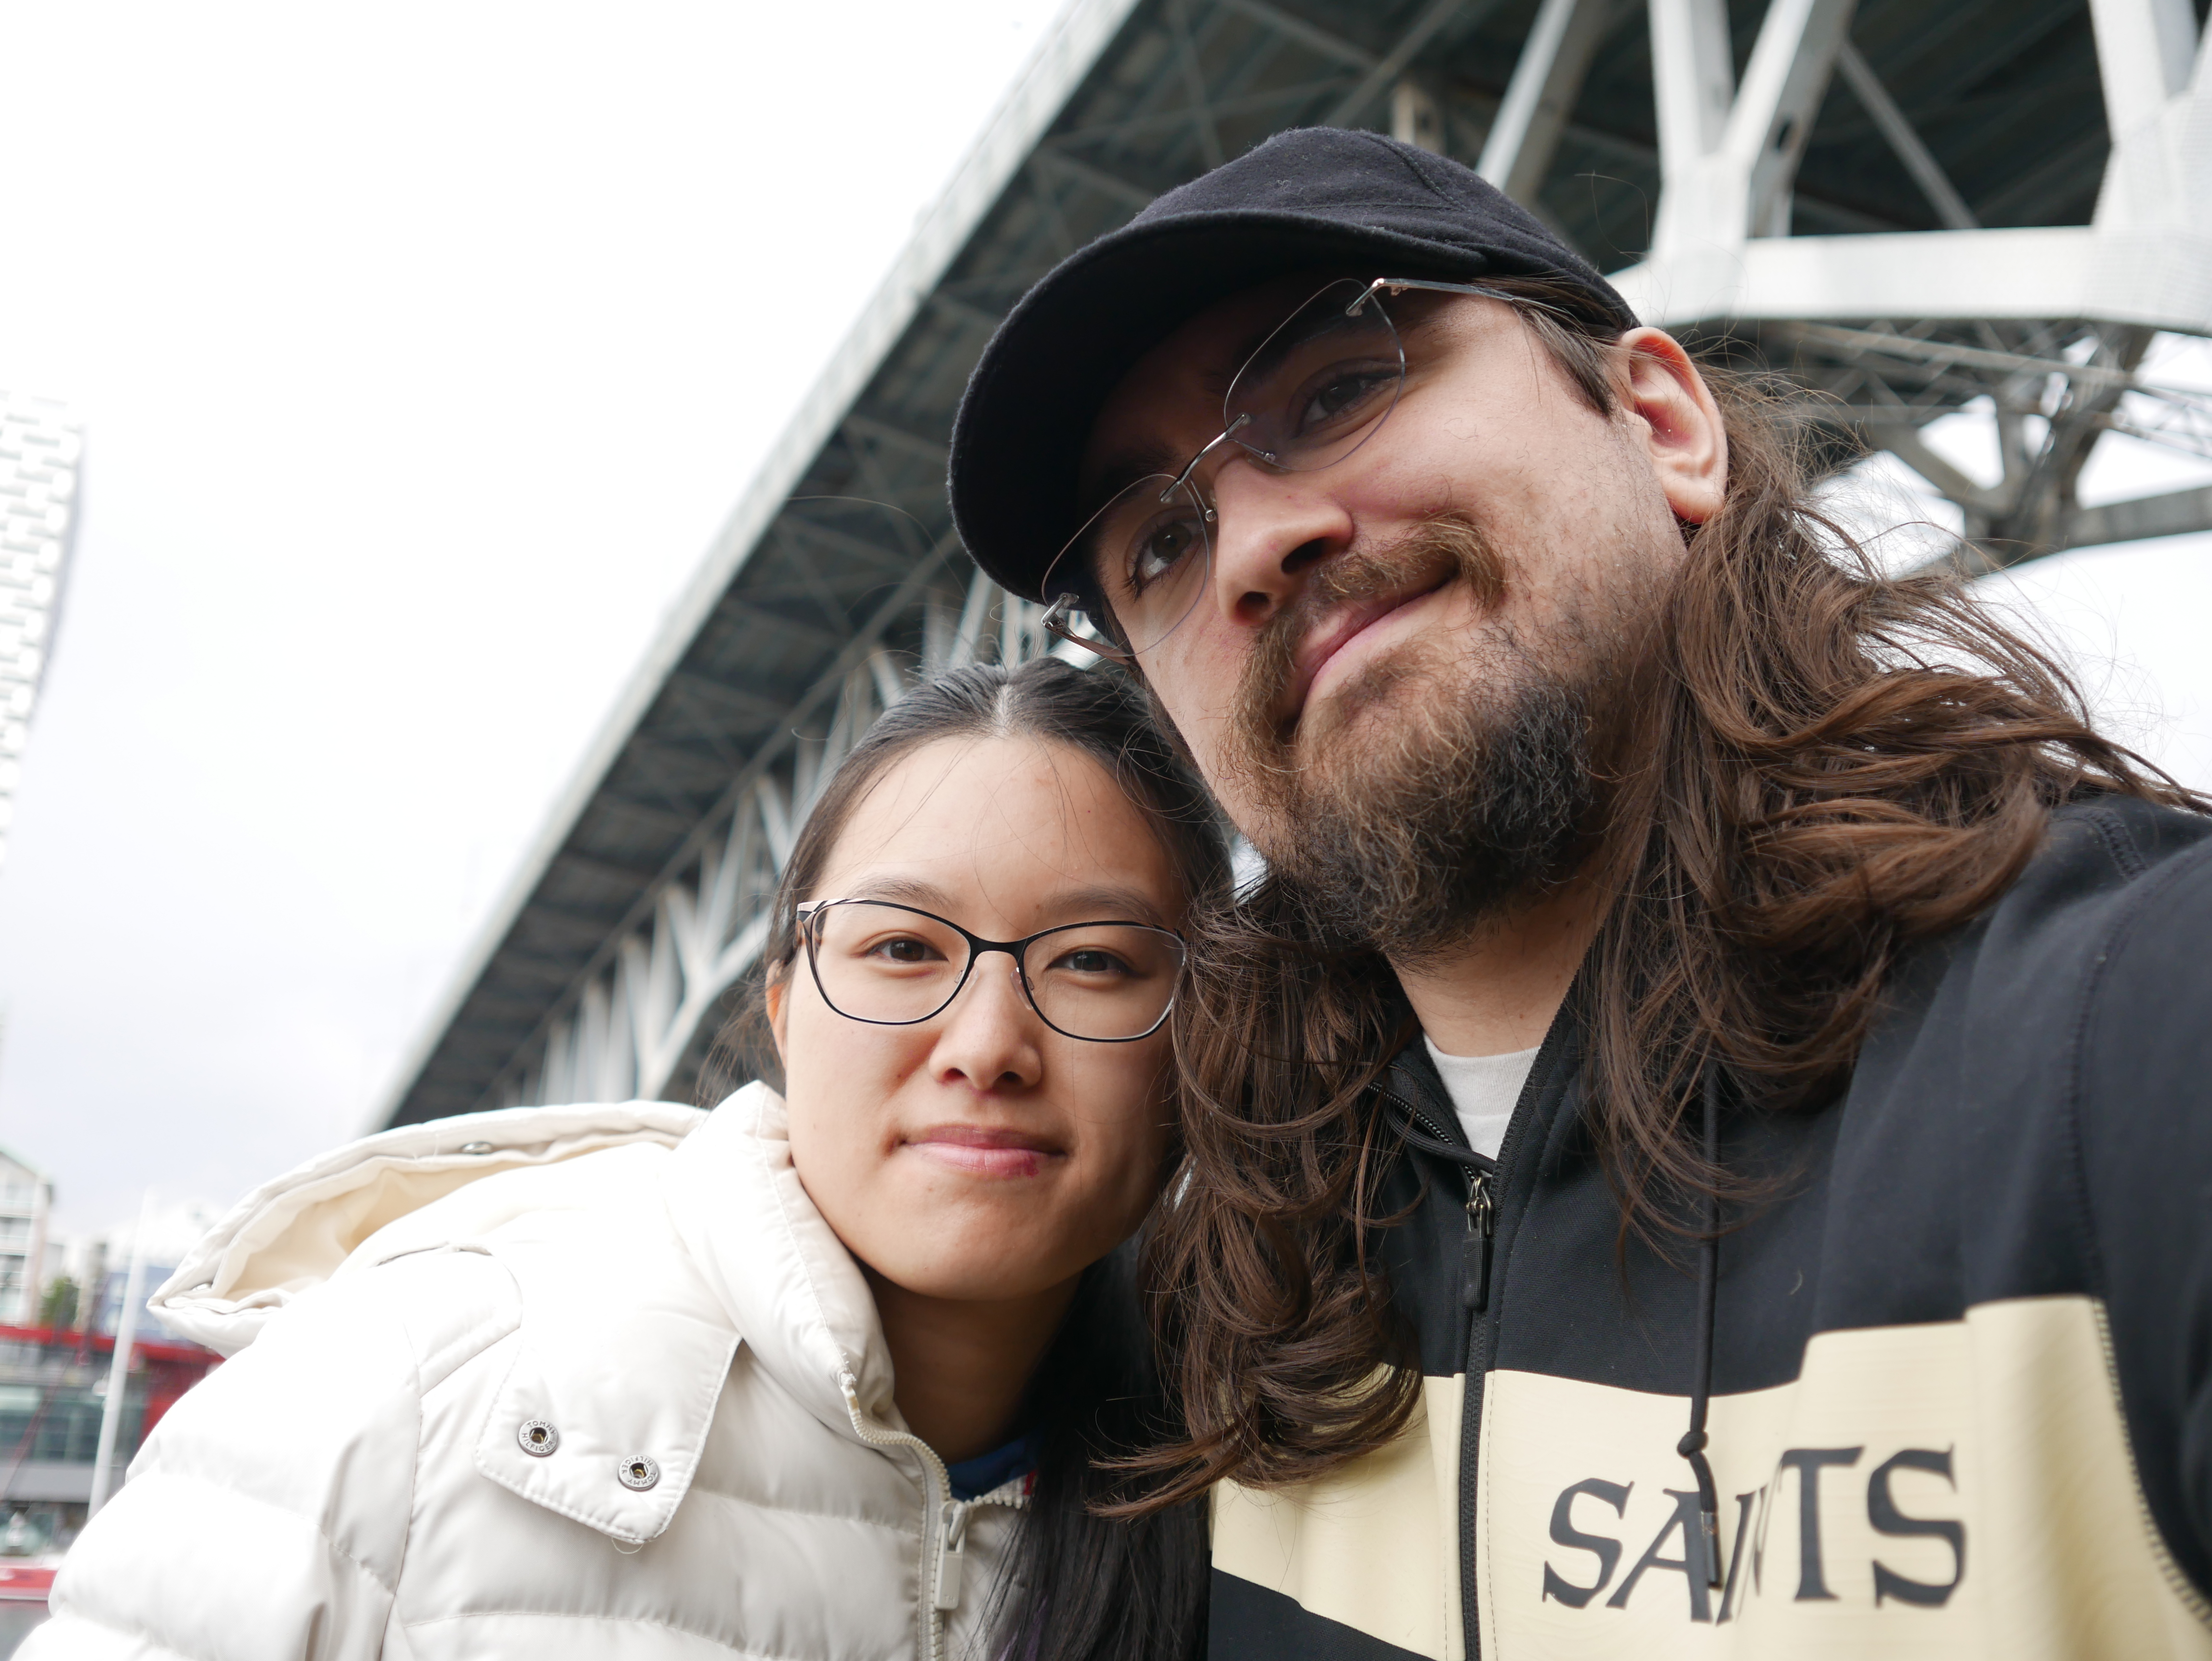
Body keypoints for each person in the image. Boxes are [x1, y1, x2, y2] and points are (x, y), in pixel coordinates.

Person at [947, 127, 2212, 1658]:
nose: (1256, 548)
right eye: (1159, 542)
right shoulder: (1198, 1309)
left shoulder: (2143, 1038)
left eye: (1341, 388)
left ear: (1666, 423)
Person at [28, 658, 1222, 1661]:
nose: (986, 1044)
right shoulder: (404, 1376)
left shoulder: (1269, 1497)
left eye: (1095, 960)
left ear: (1208, 1032)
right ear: (783, 1007)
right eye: (903, 945)